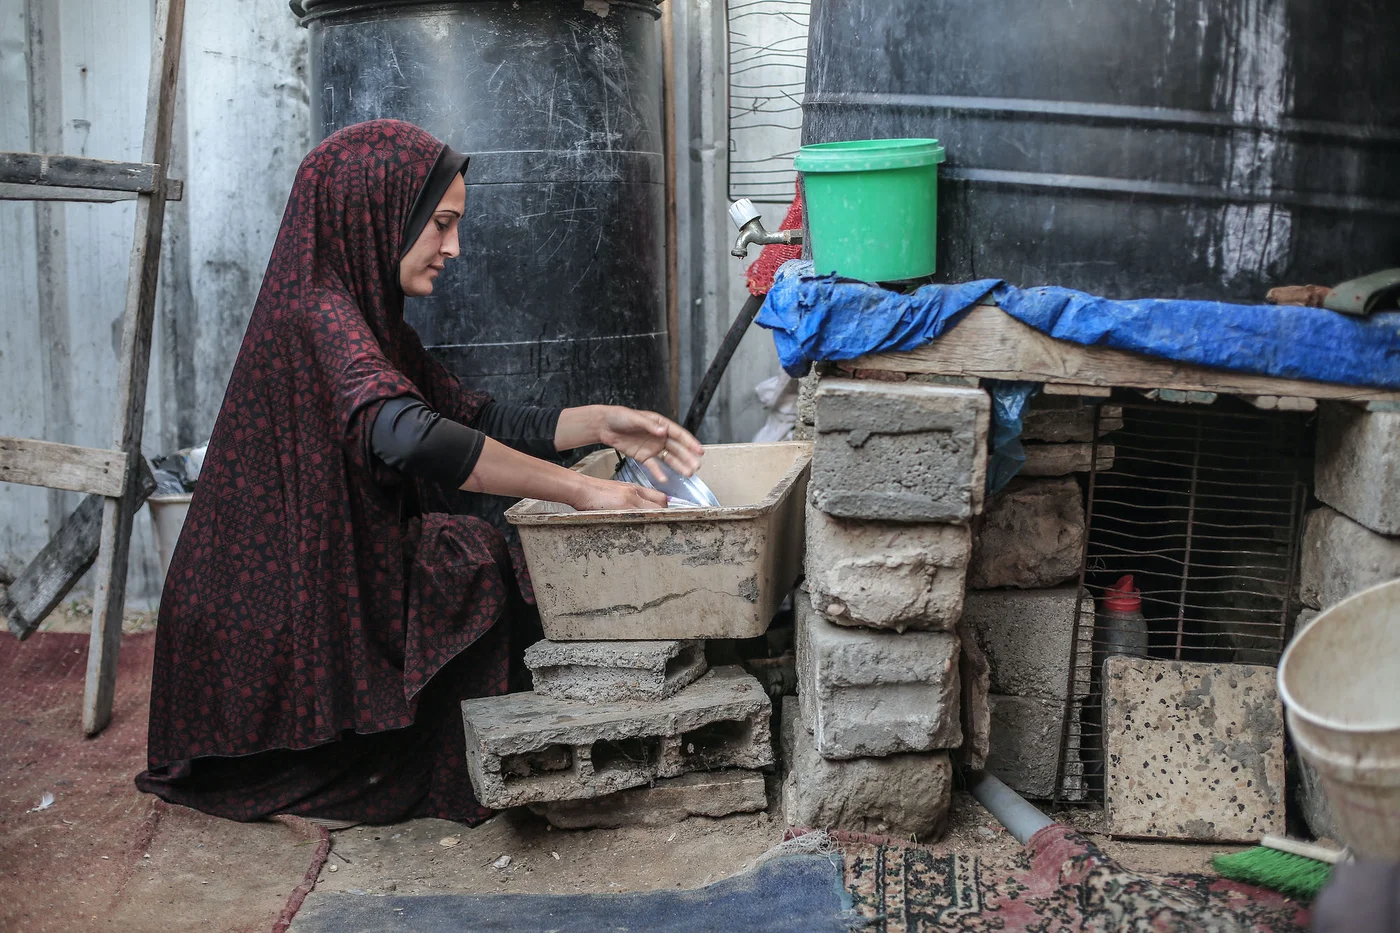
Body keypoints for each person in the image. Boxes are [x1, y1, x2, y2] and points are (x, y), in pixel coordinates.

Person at [136, 119, 702, 825]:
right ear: (379, 208)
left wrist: (598, 423)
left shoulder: (366, 318)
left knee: (468, 553)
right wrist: (582, 489)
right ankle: (415, 760)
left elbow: (466, 415)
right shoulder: (320, 313)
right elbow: (408, 436)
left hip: (315, 583)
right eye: (440, 224)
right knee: (474, 561)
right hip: (268, 630)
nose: (453, 248)